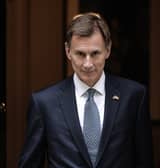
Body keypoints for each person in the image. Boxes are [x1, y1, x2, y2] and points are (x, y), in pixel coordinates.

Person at [18, 12, 154, 168]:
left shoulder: (134, 96)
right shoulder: (44, 103)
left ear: (108, 50)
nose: (88, 64)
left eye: (95, 53)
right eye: (80, 54)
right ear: (68, 51)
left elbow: (145, 162)